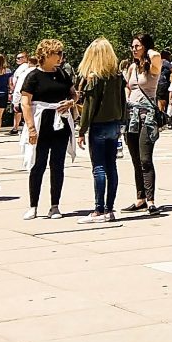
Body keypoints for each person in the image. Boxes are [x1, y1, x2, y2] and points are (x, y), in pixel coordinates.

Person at [19, 39, 76, 220]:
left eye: (61, 53)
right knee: (38, 164)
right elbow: (25, 102)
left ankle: (55, 205)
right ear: (46, 55)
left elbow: (74, 93)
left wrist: (71, 102)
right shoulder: (33, 76)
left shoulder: (63, 74)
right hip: (41, 121)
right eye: (57, 53)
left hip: (60, 122)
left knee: (57, 165)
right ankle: (33, 205)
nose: (60, 57)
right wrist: (31, 128)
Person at [75, 38, 128, 221]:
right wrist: (122, 121)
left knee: (98, 167)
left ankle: (99, 209)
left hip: (99, 125)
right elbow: (123, 101)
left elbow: (89, 106)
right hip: (114, 123)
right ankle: (110, 208)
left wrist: (82, 130)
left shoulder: (94, 78)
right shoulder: (118, 76)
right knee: (111, 166)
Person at [123, 35, 162, 215]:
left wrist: (148, 50)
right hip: (131, 117)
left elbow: (156, 56)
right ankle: (141, 199)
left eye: (137, 46)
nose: (133, 49)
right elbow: (128, 87)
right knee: (135, 159)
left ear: (145, 47)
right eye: (132, 46)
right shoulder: (132, 67)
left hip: (147, 117)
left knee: (145, 159)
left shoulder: (153, 67)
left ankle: (151, 200)